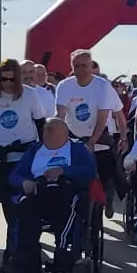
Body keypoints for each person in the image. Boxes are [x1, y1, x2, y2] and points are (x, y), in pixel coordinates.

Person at [5, 118, 97, 273]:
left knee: (66, 206)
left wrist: (64, 170)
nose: (45, 132)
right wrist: (24, 182)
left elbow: (89, 173)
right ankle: (27, 257)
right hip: (37, 189)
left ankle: (64, 252)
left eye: (50, 130)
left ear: (63, 134)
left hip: (66, 189)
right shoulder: (35, 149)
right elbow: (15, 175)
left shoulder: (76, 149)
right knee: (24, 209)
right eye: (45, 129)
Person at [0, 58, 51, 214]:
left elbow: (40, 125)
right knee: (5, 205)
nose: (8, 83)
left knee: (20, 205)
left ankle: (17, 238)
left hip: (23, 155)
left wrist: (44, 155)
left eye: (12, 79)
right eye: (4, 79)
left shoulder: (30, 94)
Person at [54, 49, 123, 201]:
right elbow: (60, 115)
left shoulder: (103, 86)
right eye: (76, 66)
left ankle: (107, 195)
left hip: (99, 134)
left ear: (91, 66)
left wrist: (92, 141)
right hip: (74, 134)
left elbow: (103, 116)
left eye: (84, 65)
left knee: (105, 173)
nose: (80, 70)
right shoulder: (64, 86)